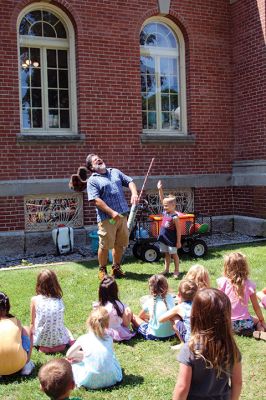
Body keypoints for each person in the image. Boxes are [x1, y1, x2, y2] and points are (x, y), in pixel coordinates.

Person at [173, 288, 242, 400]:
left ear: (195, 315)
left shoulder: (190, 348)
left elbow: (182, 387)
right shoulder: (230, 346)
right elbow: (237, 382)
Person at [86, 154, 138, 279]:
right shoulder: (92, 180)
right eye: (95, 160)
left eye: (99, 158)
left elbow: (130, 181)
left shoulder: (115, 172)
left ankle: (116, 268)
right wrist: (111, 212)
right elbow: (95, 200)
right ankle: (102, 270)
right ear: (91, 167)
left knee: (119, 243)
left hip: (123, 215)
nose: (98, 160)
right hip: (107, 218)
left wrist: (134, 194)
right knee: (104, 246)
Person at [66, 307, 122, 389]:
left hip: (89, 382)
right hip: (112, 379)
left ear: (89, 321)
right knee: (113, 358)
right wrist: (84, 355)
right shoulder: (109, 338)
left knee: (74, 366)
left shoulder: (83, 338)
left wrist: (81, 355)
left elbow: (69, 355)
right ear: (107, 324)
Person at [217, 252, 266, 337]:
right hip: (246, 323)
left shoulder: (223, 282)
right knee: (256, 321)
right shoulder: (249, 284)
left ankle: (233, 331)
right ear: (245, 267)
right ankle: (260, 331)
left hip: (228, 323)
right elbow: (256, 306)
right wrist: (261, 320)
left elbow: (217, 302)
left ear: (227, 267)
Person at [30, 269, 74, 353]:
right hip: (60, 342)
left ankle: (45, 347)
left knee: (32, 326)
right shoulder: (59, 299)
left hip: (42, 342)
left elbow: (32, 323)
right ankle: (68, 343)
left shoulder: (35, 300)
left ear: (39, 284)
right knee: (65, 329)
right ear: (55, 283)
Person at [0, 291, 34, 376]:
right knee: (26, 329)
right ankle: (27, 365)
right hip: (19, 364)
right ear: (7, 306)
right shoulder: (15, 321)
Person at [132, 274, 176, 340]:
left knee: (133, 316)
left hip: (153, 335)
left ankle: (136, 331)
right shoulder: (171, 298)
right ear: (166, 286)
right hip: (172, 334)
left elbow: (140, 316)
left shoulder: (150, 301)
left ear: (151, 288)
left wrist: (150, 317)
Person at [159, 279, 198, 350]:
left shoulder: (180, 307)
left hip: (189, 340)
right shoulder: (201, 303)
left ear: (179, 295)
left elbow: (161, 319)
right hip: (202, 338)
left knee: (173, 316)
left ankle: (182, 343)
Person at [95, 275, 135, 341]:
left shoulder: (97, 306)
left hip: (102, 332)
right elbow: (126, 324)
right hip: (116, 332)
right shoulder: (118, 305)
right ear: (115, 290)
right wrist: (129, 312)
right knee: (128, 311)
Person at [157, 180, 181, 279]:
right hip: (163, 238)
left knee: (174, 255)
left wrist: (178, 242)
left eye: (166, 206)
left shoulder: (175, 217)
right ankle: (166, 270)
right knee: (166, 254)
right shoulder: (166, 212)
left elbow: (179, 231)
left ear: (173, 205)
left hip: (171, 239)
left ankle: (176, 270)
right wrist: (160, 189)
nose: (164, 207)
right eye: (164, 206)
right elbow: (162, 199)